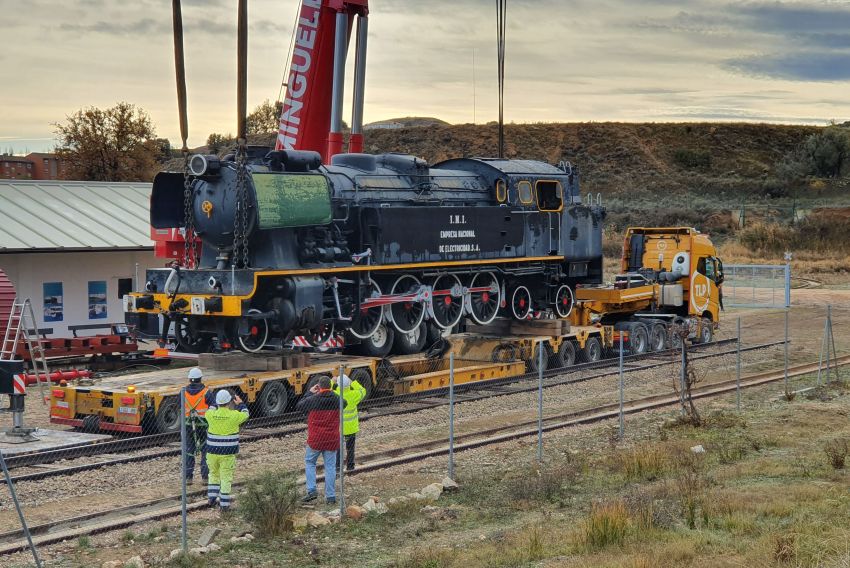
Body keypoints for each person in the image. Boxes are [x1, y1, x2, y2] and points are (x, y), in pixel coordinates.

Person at [295, 376, 346, 504]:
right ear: (330, 386)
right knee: (330, 467)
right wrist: (331, 390)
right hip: (331, 439)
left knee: (310, 462)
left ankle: (311, 490)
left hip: (316, 439)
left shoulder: (312, 399)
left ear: (319, 386)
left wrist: (310, 392)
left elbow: (299, 405)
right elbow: (344, 402)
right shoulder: (336, 400)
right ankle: (330, 496)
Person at [205, 389, 249, 512]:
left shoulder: (210, 415)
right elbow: (246, 414)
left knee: (213, 474)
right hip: (227, 453)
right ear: (230, 402)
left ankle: (211, 499)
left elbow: (211, 408)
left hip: (212, 452)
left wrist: (214, 400)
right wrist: (241, 403)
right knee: (225, 477)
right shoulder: (234, 415)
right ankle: (224, 505)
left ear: (218, 402)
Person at [183, 367, 214, 483]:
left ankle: (188, 478)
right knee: (205, 451)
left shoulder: (183, 392)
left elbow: (180, 406)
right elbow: (213, 406)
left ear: (190, 379)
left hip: (188, 426)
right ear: (200, 378)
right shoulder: (206, 392)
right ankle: (205, 478)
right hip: (204, 426)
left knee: (188, 451)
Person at [332, 373, 367, 472]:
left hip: (338, 428)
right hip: (351, 427)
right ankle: (350, 467)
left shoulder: (335, 394)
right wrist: (353, 383)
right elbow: (363, 391)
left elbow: (326, 390)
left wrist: (332, 381)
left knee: (338, 449)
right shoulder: (354, 395)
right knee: (350, 448)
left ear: (338, 385)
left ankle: (338, 468)